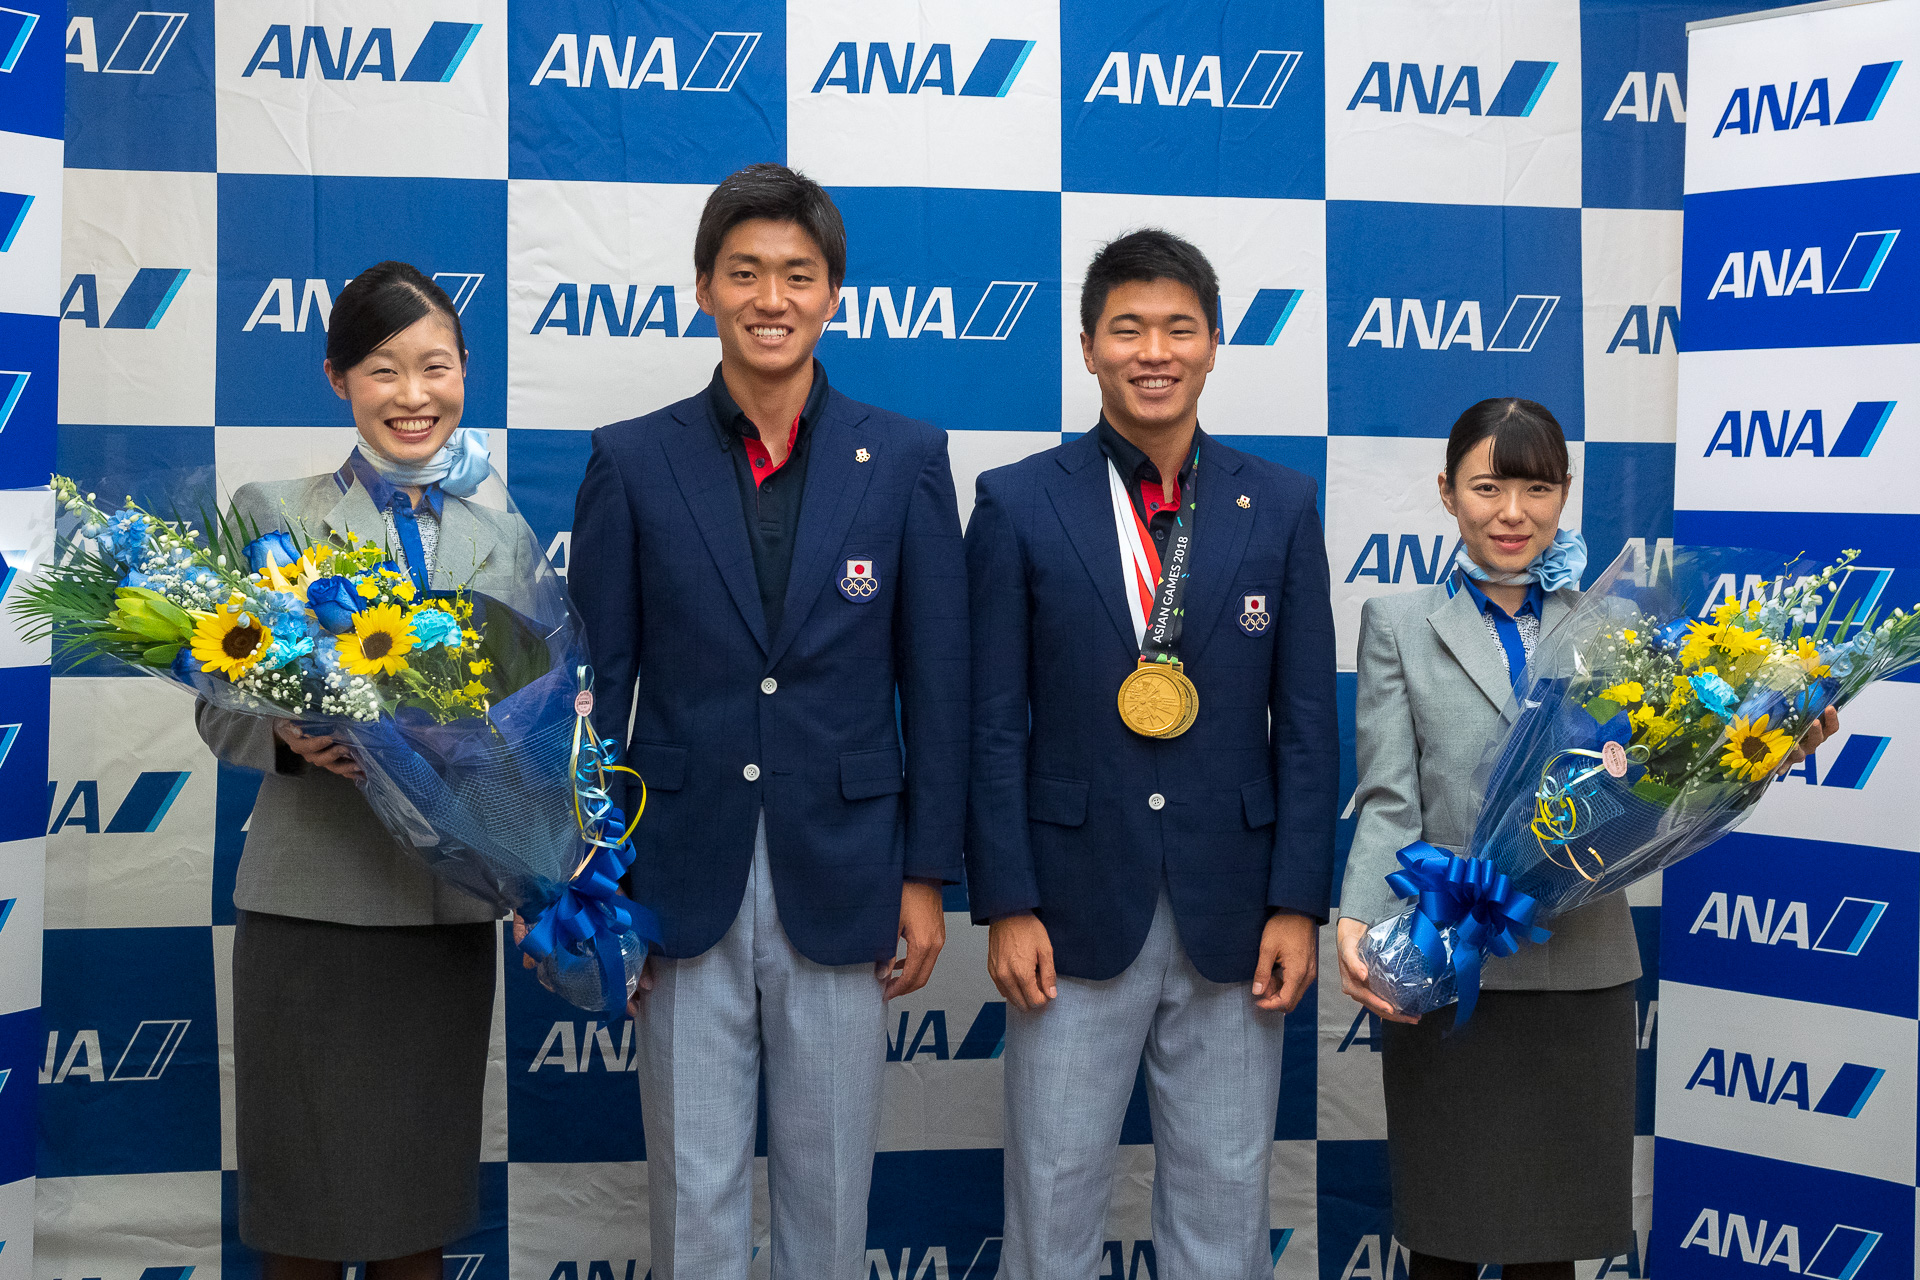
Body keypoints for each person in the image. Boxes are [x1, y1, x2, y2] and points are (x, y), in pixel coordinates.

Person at [568, 163, 968, 1279]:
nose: (771, 296)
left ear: (834, 292)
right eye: (744, 272)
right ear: (703, 288)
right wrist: (591, 875)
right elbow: (593, 693)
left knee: (830, 1184)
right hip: (679, 871)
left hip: (846, 870)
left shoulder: (902, 458)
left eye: (797, 273)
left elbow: (937, 686)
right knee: (693, 1185)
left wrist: (928, 875)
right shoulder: (633, 459)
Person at [1334, 397, 1840, 1280]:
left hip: (1583, 971)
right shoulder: (1398, 622)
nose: (1511, 511)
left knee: (1552, 1249)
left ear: (1565, 495)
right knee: (1444, 1241)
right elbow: (1387, 797)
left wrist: (1770, 742)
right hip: (1447, 962)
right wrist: (1358, 916)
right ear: (1446, 493)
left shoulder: (1623, 626)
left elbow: (1678, 782)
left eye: (1536, 487)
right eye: (1487, 486)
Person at [964, 229, 1338, 1278]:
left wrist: (1297, 903)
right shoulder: (1018, 501)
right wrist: (1008, 902)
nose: (1154, 350)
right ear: (1088, 347)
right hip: (1068, 908)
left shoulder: (1280, 501)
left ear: (1216, 344)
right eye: (1127, 328)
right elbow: (990, 719)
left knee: (1225, 1207)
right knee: (1051, 1199)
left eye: (1179, 327)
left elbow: (1308, 722)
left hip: (1237, 905)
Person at [195, 261, 542, 1279]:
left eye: (436, 366)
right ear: (337, 377)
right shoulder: (274, 513)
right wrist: (286, 738)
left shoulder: (503, 533)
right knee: (303, 1218)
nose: (413, 394)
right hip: (313, 913)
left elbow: (531, 722)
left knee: (414, 1218)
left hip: (442, 918)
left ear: (466, 373)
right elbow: (217, 706)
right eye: (383, 369)